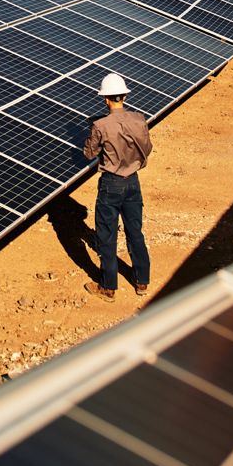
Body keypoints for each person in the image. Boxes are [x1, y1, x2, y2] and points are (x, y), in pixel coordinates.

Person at [81, 72, 153, 302]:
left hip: (111, 184)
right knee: (135, 232)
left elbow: (89, 153)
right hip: (133, 182)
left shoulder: (100, 125)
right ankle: (142, 282)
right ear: (124, 96)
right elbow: (147, 147)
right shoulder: (139, 119)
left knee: (107, 235)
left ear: (105, 99)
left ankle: (108, 287)